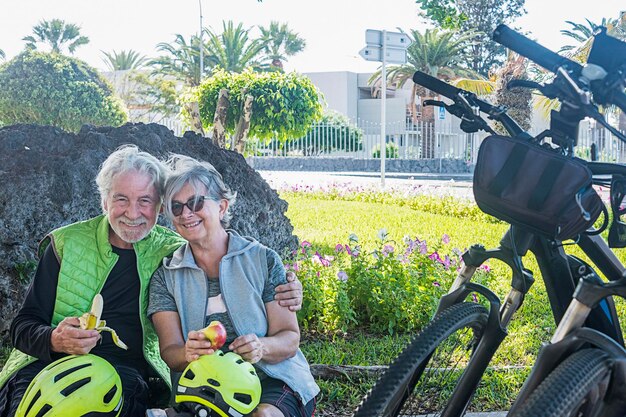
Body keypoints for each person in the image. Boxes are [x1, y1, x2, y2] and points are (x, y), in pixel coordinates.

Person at [0, 145, 303, 417]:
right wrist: (55, 339)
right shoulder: (66, 245)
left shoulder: (172, 251)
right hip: (47, 365)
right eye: (121, 199)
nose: (133, 213)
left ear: (159, 207)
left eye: (145, 201)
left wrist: (289, 284)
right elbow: (22, 327)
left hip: (123, 372)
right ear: (105, 201)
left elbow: (225, 252)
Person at [148, 155, 318, 417]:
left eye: (195, 202)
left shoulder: (262, 260)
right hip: (207, 385)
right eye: (177, 207)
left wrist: (261, 347)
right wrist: (188, 352)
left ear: (222, 207)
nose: (187, 213)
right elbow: (170, 352)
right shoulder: (166, 276)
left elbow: (289, 338)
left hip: (270, 378)